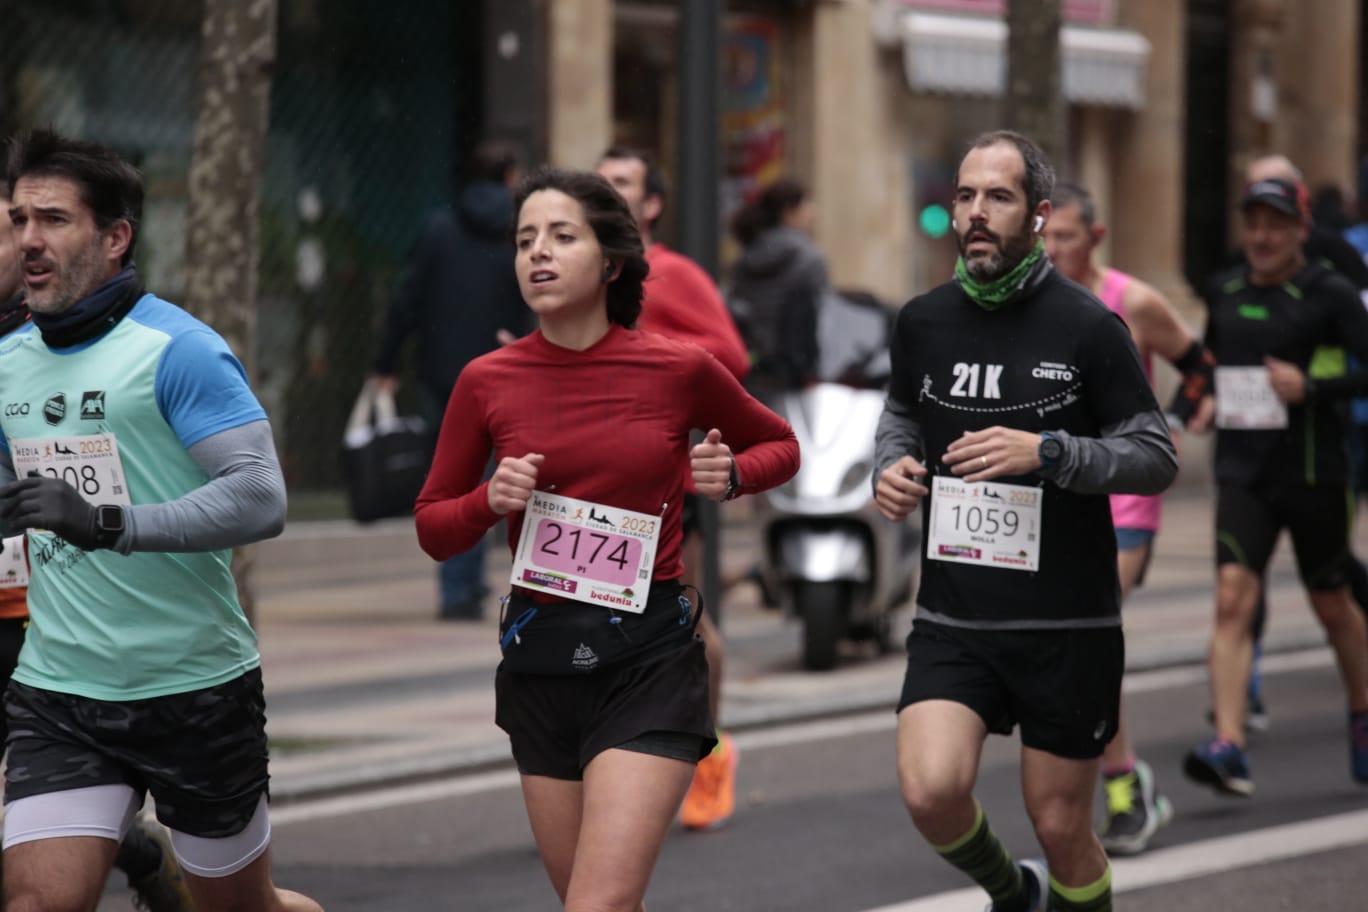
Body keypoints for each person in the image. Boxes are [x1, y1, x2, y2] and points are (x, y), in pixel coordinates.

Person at [414, 166, 798, 911]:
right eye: (526, 240)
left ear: (611, 260)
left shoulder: (678, 367)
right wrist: (487, 501)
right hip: (541, 662)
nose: (538, 254)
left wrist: (729, 474)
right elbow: (433, 525)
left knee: (599, 905)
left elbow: (779, 444)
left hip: (648, 658)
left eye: (561, 236)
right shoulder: (486, 380)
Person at [0, 129, 321, 912]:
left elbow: (260, 496)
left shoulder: (178, 351)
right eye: (18, 220)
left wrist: (109, 522)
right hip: (60, 690)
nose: (29, 241)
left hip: (194, 690)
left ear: (115, 238)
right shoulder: (7, 358)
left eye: (53, 220)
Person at [874, 130, 1177, 912]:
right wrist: (893, 466)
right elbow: (903, 413)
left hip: (1065, 623)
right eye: (966, 195)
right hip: (955, 615)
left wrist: (1049, 452)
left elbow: (1154, 454)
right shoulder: (922, 321)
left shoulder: (1086, 326)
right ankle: (1013, 895)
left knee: (1060, 822)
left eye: (998, 197)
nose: (977, 213)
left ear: (1038, 215)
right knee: (929, 790)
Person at [0, 182, 196, 912]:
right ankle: (132, 845)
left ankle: (129, 843)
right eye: (17, 225)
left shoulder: (82, 345)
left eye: (33, 226)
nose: (26, 242)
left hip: (47, 632)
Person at [1043, 180, 1216, 855]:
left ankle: (1124, 788)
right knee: (1068, 645)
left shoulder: (1131, 300)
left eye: (1066, 236)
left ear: (1096, 237)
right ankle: (1107, 778)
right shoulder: (1036, 301)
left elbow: (1199, 366)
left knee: (1089, 632)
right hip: (1060, 488)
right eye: (1046, 235)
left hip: (1125, 494)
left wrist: (1176, 420)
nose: (1054, 248)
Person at [1181, 175, 1368, 797]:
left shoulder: (1329, 294)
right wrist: (1199, 404)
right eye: (1254, 222)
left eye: (1276, 224)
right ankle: (1229, 746)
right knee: (1233, 598)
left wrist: (1310, 388)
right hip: (1244, 472)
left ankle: (1363, 714)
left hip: (1315, 472)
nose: (1261, 235)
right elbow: (1208, 365)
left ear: (1300, 230)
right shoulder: (1225, 289)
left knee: (1332, 604)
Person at [596, 146, 749, 832]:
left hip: (660, 471)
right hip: (589, 472)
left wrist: (649, 359)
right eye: (599, 181)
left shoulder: (674, 274)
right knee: (602, 614)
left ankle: (709, 748)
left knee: (682, 616)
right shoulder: (584, 274)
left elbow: (732, 357)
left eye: (622, 183)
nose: (608, 190)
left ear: (652, 204)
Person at [372, 140, 529, 620]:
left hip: (443, 373)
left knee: (451, 479)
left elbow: (407, 300)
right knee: (491, 478)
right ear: (509, 177)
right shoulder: (519, 233)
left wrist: (386, 362)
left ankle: (458, 583)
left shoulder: (439, 227)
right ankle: (472, 582)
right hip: (503, 370)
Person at [727, 177, 826, 399]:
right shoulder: (810, 259)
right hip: (795, 376)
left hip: (751, 373)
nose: (812, 214)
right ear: (789, 212)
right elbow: (821, 319)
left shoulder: (746, 258)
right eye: (806, 206)